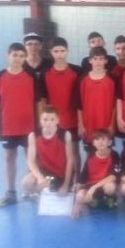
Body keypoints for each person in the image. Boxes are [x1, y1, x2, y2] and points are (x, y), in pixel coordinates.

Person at [0, 43, 40, 208]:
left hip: (28, 127)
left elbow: (38, 102)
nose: (18, 59)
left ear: (25, 58)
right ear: (8, 56)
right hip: (8, 127)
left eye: (21, 56)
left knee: (30, 159)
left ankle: (30, 190)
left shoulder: (31, 76)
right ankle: (10, 193)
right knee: (9, 158)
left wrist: (39, 125)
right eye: (15, 55)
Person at [40, 37, 82, 174]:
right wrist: (45, 121)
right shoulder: (45, 74)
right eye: (56, 51)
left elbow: (81, 98)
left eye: (62, 51)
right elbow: (43, 100)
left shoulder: (77, 71)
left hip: (72, 120)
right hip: (54, 122)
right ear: (51, 52)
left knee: (74, 151)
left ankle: (77, 180)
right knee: (58, 152)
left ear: (67, 51)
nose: (59, 54)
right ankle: (60, 178)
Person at [21, 106, 74, 198]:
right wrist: (40, 178)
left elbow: (70, 161)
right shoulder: (33, 136)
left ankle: (48, 190)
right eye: (45, 119)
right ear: (40, 120)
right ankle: (39, 193)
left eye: (52, 119)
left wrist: (65, 185)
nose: (48, 122)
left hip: (60, 175)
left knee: (58, 192)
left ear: (57, 120)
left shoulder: (65, 135)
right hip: (45, 174)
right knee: (26, 183)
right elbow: (30, 161)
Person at [73, 129, 121, 217]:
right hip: (92, 185)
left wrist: (93, 188)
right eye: (97, 139)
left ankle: (110, 198)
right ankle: (95, 198)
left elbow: (114, 176)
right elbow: (83, 176)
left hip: (105, 184)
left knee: (110, 187)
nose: (100, 142)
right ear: (93, 143)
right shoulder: (90, 156)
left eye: (103, 139)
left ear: (109, 142)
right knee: (80, 196)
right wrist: (77, 203)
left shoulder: (114, 155)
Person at [76, 46, 116, 149]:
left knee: (106, 152)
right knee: (90, 153)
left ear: (106, 61)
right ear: (90, 60)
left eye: (101, 59)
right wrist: (81, 125)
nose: (98, 62)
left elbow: (115, 105)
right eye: (95, 59)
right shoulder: (82, 80)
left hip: (106, 123)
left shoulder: (112, 79)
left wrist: (112, 124)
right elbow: (79, 105)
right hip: (88, 124)